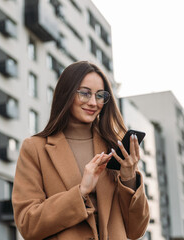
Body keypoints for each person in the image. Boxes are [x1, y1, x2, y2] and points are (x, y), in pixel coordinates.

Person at [12, 61, 150, 240]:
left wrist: (129, 179)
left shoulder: (115, 149)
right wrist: (80, 191)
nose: (93, 102)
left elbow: (136, 230)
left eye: (100, 95)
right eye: (84, 93)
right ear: (66, 94)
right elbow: (27, 224)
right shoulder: (35, 148)